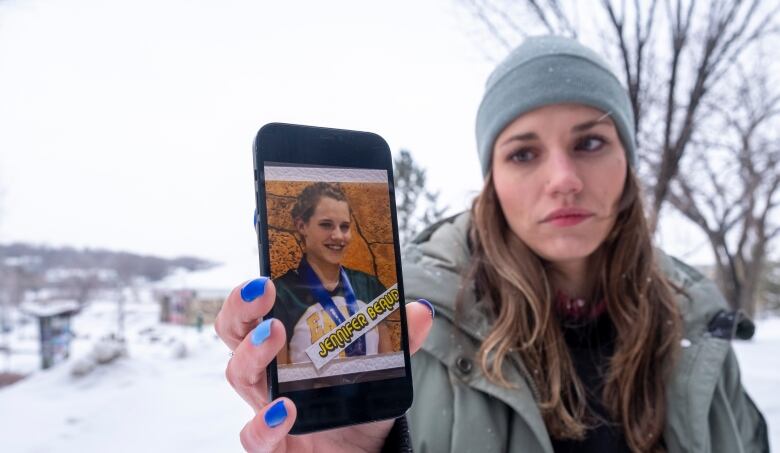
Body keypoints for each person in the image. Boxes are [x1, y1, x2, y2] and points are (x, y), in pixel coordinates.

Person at [215, 36, 769, 452]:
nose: (563, 179)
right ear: (492, 181)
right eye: (524, 153)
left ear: (627, 162)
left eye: (591, 142)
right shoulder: (414, 335)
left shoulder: (698, 325)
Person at [272, 182, 392, 365]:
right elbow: (280, 372)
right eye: (326, 225)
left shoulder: (368, 285)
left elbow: (388, 363)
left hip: (373, 393)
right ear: (302, 226)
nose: (338, 235)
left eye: (344, 227)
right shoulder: (281, 292)